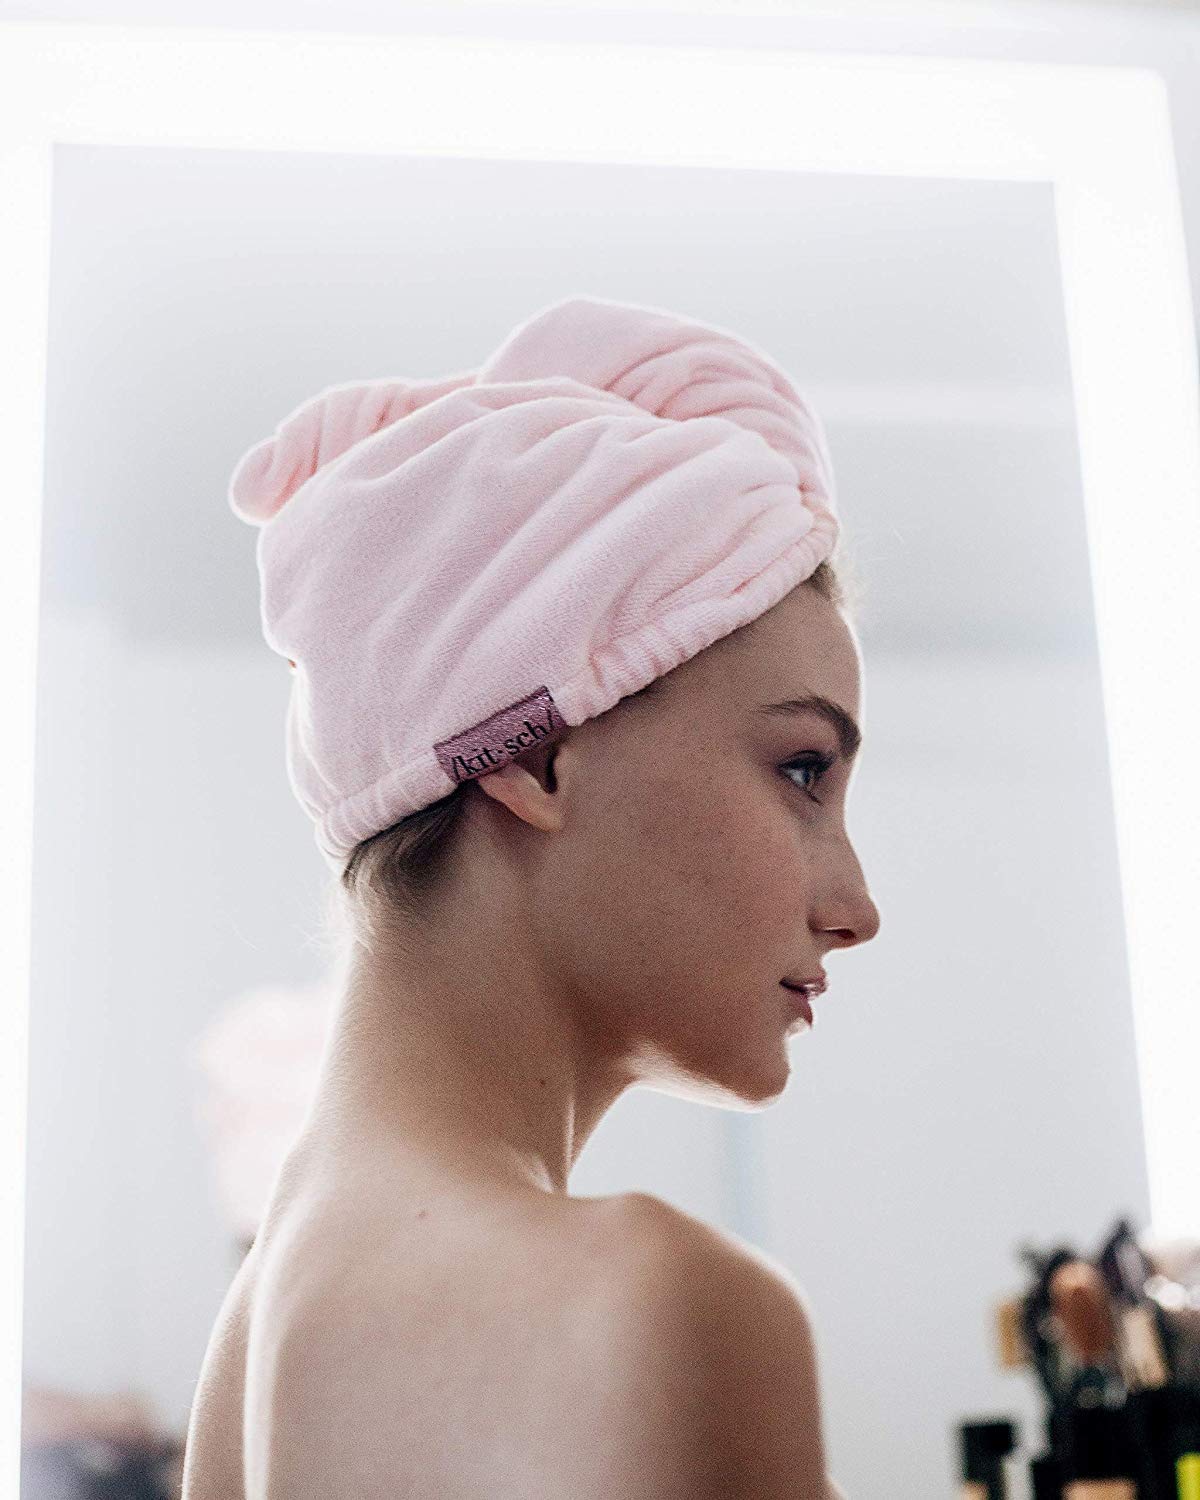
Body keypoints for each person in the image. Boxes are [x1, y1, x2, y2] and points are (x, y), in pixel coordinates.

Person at [182, 295, 881, 1499]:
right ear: (533, 753)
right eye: (802, 771)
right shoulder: (655, 1307)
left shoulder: (253, 1344)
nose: (857, 907)